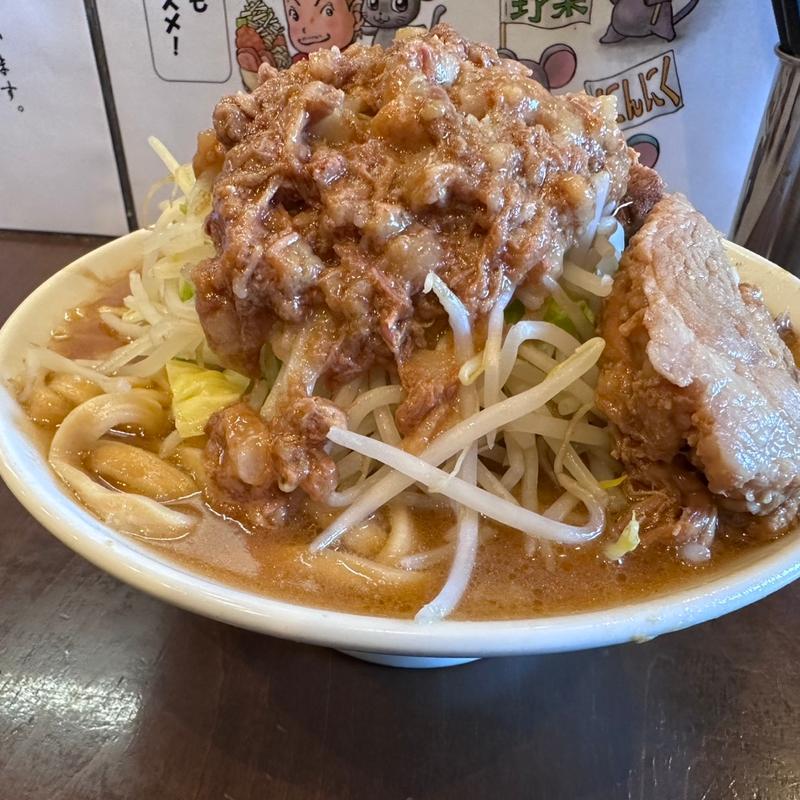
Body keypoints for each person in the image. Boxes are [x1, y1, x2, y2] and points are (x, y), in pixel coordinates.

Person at [283, 0, 361, 63]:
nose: (307, 28)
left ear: (356, 16)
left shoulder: (358, 57)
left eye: (328, 11)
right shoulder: (299, 62)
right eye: (294, 15)